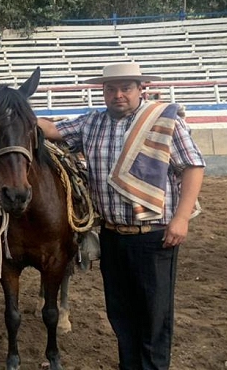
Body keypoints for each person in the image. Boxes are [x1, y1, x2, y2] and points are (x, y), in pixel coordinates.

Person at [37, 63, 205, 370]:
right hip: (112, 236)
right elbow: (52, 130)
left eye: (125, 88)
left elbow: (193, 166)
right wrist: (12, 108)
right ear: (102, 91)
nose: (118, 95)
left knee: (154, 317)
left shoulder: (164, 120)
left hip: (155, 235)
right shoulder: (91, 122)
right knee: (121, 315)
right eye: (110, 89)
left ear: (140, 88)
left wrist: (181, 219)